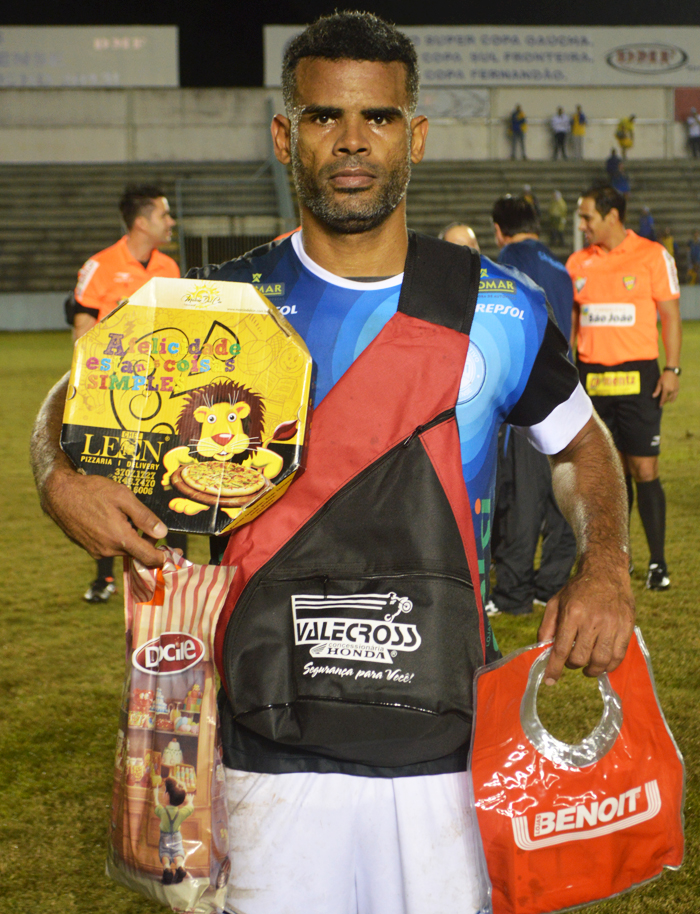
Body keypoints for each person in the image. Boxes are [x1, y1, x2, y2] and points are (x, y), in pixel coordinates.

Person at [32, 13, 635, 914]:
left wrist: (606, 563)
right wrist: (60, 478)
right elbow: (66, 402)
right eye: (323, 118)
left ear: (414, 136)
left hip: (444, 740)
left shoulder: (497, 308)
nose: (352, 142)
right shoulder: (217, 306)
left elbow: (582, 445)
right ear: (286, 135)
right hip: (263, 745)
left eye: (379, 119)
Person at [69, 184, 184, 603]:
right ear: (142, 221)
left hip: (163, 397)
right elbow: (81, 326)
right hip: (110, 399)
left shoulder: (169, 268)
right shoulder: (100, 266)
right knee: (107, 484)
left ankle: (169, 574)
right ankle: (106, 578)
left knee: (167, 481)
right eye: (163, 215)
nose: (170, 222)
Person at [568, 184, 681, 591]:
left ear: (611, 216)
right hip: (592, 378)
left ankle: (659, 563)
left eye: (587, 217)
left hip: (639, 378)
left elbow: (670, 316)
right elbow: (576, 324)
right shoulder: (577, 263)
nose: (582, 225)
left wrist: (672, 369)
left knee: (644, 469)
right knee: (611, 475)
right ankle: (620, 558)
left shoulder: (653, 256)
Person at [488, 195, 577, 617]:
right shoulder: (563, 269)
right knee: (560, 493)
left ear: (499, 230)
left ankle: (513, 593)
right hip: (566, 393)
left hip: (522, 394)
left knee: (521, 497)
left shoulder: (504, 264)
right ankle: (553, 583)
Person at [153, 777, 195, 885]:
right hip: (176, 836)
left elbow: (156, 805)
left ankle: (167, 869)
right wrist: (189, 800)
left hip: (165, 837)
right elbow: (190, 807)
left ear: (166, 796)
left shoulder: (163, 812)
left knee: (165, 853)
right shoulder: (181, 813)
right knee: (177, 852)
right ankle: (180, 867)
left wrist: (155, 795)